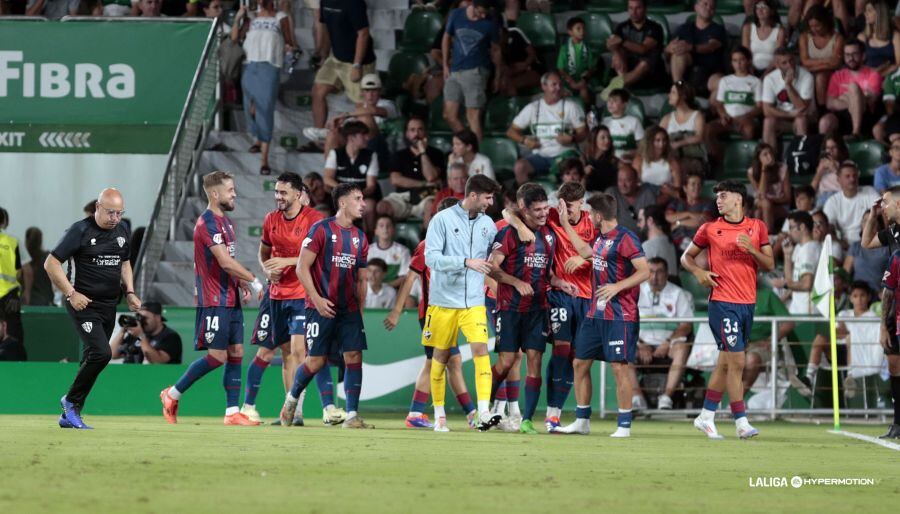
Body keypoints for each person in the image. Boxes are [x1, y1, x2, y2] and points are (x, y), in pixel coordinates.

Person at [160, 172, 263, 426]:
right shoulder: (206, 223)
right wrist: (253, 280)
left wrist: (240, 283)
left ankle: (231, 413)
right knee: (217, 357)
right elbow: (225, 262)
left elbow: (228, 264)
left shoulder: (226, 222)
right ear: (215, 194)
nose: (234, 193)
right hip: (213, 299)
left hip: (230, 297)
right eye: (230, 190)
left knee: (236, 352)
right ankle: (171, 394)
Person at [241, 172, 344, 427]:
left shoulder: (315, 220)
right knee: (287, 353)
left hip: (303, 294)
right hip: (277, 295)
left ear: (298, 194)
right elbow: (263, 252)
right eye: (276, 192)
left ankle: (325, 407)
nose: (278, 197)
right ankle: (293, 412)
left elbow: (319, 256)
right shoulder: (270, 219)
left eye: (283, 192)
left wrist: (286, 261)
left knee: (302, 350)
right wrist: (266, 270)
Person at [681, 180, 774, 440]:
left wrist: (752, 249)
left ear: (738, 199)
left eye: (723, 196)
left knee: (724, 364)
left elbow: (769, 264)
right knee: (738, 361)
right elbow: (685, 257)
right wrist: (698, 272)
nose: (718, 200)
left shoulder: (757, 227)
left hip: (747, 304)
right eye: (717, 197)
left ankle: (706, 416)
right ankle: (741, 422)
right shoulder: (710, 229)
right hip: (722, 303)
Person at [551, 193, 650, 437]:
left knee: (619, 368)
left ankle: (624, 425)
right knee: (579, 363)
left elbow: (645, 271)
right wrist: (565, 224)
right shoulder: (601, 239)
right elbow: (585, 250)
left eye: (590, 213)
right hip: (596, 315)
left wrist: (617, 287)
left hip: (620, 316)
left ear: (598, 215)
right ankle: (582, 421)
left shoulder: (627, 239)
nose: (588, 217)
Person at [45, 189, 142, 429]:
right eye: (110, 212)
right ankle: (70, 401)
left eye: (119, 213)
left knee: (92, 356)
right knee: (102, 353)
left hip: (109, 305)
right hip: (82, 303)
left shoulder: (122, 231)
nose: (115, 218)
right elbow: (51, 263)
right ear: (98, 207)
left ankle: (71, 413)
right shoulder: (80, 230)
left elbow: (125, 262)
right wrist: (71, 293)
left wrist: (129, 291)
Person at [280, 183, 373, 429]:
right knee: (316, 361)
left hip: (349, 309)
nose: (363, 203)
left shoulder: (360, 238)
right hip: (320, 307)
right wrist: (317, 299)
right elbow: (302, 267)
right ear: (343, 203)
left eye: (363, 198)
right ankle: (291, 400)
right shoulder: (320, 229)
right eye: (357, 198)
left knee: (354, 356)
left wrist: (360, 312)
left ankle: (352, 416)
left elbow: (362, 279)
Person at [503, 181, 594, 431]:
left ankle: (558, 410)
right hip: (557, 293)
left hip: (585, 296)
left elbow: (603, 252)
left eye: (572, 207)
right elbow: (508, 212)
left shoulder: (591, 222)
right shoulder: (551, 214)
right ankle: (551, 415)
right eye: (563, 205)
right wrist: (520, 226)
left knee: (578, 357)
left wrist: (583, 255)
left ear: (582, 204)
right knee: (562, 350)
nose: (566, 211)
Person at [384, 197, 478, 429]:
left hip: (451, 312)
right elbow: (411, 277)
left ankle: (464, 414)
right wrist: (396, 310)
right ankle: (468, 414)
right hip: (432, 314)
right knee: (439, 362)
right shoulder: (428, 246)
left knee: (450, 362)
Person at [488, 184, 571, 435]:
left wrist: (560, 283)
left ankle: (527, 420)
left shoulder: (549, 236)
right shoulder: (508, 235)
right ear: (524, 209)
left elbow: (548, 273)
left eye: (546, 208)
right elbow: (492, 268)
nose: (544, 213)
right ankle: (483, 406)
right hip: (510, 308)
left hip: (538, 308)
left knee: (535, 359)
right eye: (538, 210)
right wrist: (516, 282)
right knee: (506, 361)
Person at [422, 174, 501, 432]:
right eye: (488, 197)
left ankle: (484, 412)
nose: (491, 202)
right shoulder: (441, 220)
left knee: (481, 350)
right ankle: (440, 415)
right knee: (441, 356)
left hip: (474, 302)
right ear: (474, 195)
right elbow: (431, 258)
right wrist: (465, 261)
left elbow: (497, 248)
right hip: (443, 302)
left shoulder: (488, 224)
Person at [232, 0, 298, 175]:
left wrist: (290, 52)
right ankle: (257, 138)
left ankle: (264, 159)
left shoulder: (281, 17)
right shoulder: (251, 18)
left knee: (265, 109)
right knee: (250, 108)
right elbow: (235, 38)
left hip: (270, 66)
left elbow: (290, 42)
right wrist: (239, 17)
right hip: (249, 65)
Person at [508, 71, 587, 185]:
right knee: (519, 167)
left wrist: (572, 138)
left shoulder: (571, 106)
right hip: (541, 155)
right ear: (544, 86)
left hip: (564, 154)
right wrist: (524, 140)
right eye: (554, 85)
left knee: (572, 167)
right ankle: (529, 198)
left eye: (560, 84)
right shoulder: (533, 108)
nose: (558, 88)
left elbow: (584, 133)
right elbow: (511, 131)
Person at [634, 257, 693, 410]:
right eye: (650, 272)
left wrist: (667, 342)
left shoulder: (678, 294)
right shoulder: (635, 291)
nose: (654, 277)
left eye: (659, 272)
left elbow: (686, 325)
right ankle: (637, 398)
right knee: (621, 350)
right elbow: (626, 323)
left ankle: (666, 397)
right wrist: (641, 344)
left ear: (667, 274)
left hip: (669, 344)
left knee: (683, 347)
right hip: (641, 343)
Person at [310, 0, 377, 131]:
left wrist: (357, 65)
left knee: (362, 107)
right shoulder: (324, 1)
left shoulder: (354, 3)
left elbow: (363, 33)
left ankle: (370, 146)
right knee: (318, 91)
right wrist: (324, 55)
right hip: (336, 58)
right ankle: (319, 139)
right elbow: (327, 29)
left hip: (357, 61)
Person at [441, 0, 502, 140]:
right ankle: (468, 144)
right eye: (479, 12)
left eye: (484, 13)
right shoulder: (456, 14)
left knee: (472, 115)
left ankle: (476, 155)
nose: (482, 16)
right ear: (472, 5)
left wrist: (498, 75)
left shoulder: (490, 22)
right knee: (449, 115)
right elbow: (446, 37)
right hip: (454, 69)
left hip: (476, 71)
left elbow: (496, 50)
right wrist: (445, 64)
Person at [306, 74, 400, 159]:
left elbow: (373, 110)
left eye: (374, 90)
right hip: (355, 142)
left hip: (379, 145)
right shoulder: (359, 109)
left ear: (380, 91)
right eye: (367, 90)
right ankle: (330, 173)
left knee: (365, 118)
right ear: (362, 93)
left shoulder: (388, 104)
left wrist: (345, 115)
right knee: (333, 136)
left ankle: (326, 134)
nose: (370, 95)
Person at [377, 117, 446, 222]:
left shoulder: (436, 154)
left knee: (431, 205)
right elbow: (395, 180)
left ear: (425, 133)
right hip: (403, 197)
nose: (416, 134)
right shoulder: (399, 155)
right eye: (412, 130)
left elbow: (431, 177)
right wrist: (424, 183)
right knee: (382, 206)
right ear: (407, 134)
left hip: (426, 197)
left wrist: (423, 153)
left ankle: (425, 237)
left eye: (420, 129)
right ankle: (386, 237)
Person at [706, 47, 761, 165]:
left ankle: (745, 162)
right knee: (707, 130)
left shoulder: (756, 81)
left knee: (749, 129)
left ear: (748, 61)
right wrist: (723, 115)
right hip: (728, 119)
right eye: (735, 60)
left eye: (741, 60)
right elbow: (719, 103)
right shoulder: (725, 81)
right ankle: (720, 162)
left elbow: (759, 107)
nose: (738, 64)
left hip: (746, 119)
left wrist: (746, 116)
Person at [323, 120, 381, 232]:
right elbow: (327, 178)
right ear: (351, 138)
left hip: (362, 196)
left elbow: (371, 186)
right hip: (339, 195)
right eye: (363, 135)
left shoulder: (371, 155)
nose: (367, 138)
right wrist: (343, 190)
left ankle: (367, 240)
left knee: (369, 206)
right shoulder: (335, 154)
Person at [819, 39, 883, 138]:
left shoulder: (873, 74)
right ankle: (823, 150)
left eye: (854, 54)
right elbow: (830, 103)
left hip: (865, 117)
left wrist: (845, 97)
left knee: (853, 87)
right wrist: (855, 100)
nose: (850, 58)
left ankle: (855, 133)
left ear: (863, 56)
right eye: (847, 55)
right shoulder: (837, 75)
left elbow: (871, 100)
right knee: (825, 122)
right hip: (841, 117)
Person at [666, 0, 727, 95]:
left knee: (723, 83)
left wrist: (690, 47)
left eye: (712, 6)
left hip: (710, 74)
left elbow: (711, 46)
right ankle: (678, 89)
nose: (709, 8)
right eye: (705, 4)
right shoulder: (684, 29)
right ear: (696, 7)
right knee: (677, 55)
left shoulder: (718, 29)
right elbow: (668, 49)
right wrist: (669, 48)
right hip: (688, 74)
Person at [761, 47, 816, 148]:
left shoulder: (807, 76)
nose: (790, 65)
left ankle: (800, 157)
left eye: (791, 60)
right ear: (777, 65)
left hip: (806, 118)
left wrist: (789, 86)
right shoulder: (770, 79)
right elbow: (766, 110)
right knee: (768, 121)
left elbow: (802, 108)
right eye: (784, 63)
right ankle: (770, 159)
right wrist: (790, 114)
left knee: (801, 119)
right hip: (784, 119)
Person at [607, 0, 666, 89]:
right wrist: (616, 53)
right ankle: (623, 84)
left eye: (638, 8)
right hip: (627, 67)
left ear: (645, 9)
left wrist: (622, 41)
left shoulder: (655, 28)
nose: (633, 12)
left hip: (649, 72)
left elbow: (643, 49)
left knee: (646, 62)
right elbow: (610, 43)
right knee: (618, 53)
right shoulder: (621, 27)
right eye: (631, 8)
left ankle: (619, 84)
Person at [772, 211, 822, 314]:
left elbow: (806, 284)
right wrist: (787, 255)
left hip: (809, 310)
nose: (789, 232)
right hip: (798, 308)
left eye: (791, 227)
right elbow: (791, 280)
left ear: (802, 227)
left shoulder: (810, 249)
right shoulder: (800, 248)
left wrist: (783, 284)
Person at [878, 214, 900, 439]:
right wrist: (883, 326)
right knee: (895, 367)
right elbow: (888, 293)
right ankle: (897, 423)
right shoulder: (896, 258)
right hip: (897, 321)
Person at [799, 4, 845, 108]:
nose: (814, 29)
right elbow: (805, 61)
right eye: (811, 26)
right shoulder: (804, 37)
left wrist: (814, 67)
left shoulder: (837, 38)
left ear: (826, 23)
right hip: (810, 71)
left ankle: (822, 110)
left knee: (820, 77)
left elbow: (836, 63)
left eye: (818, 26)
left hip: (832, 73)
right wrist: (827, 60)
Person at [823, 162, 880, 244]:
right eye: (847, 176)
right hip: (844, 243)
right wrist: (840, 243)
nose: (852, 179)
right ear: (839, 180)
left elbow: (882, 211)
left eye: (854, 175)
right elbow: (828, 227)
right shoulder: (832, 201)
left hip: (869, 240)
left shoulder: (869, 191)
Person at [110, 302, 183, 364]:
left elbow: (158, 362)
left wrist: (141, 336)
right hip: (132, 377)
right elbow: (113, 354)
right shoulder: (135, 335)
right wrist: (123, 331)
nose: (142, 322)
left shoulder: (171, 337)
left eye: (145, 318)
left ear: (157, 318)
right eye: (139, 317)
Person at [660, 80, 707, 174]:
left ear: (683, 96)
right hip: (671, 158)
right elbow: (657, 136)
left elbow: (699, 137)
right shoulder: (667, 118)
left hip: (693, 159)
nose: (669, 95)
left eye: (673, 93)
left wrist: (679, 143)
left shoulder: (697, 116)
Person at [666, 170, 717, 252]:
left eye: (699, 184)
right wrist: (689, 214)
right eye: (693, 184)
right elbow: (669, 217)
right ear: (685, 188)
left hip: (696, 242)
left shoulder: (708, 203)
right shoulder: (676, 203)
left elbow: (702, 221)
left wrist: (678, 223)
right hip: (675, 242)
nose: (697, 187)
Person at [747, 142, 792, 232]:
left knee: (759, 212)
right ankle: (768, 238)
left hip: (780, 204)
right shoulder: (751, 172)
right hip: (762, 202)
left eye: (770, 153)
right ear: (759, 158)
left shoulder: (783, 168)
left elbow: (787, 198)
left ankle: (763, 238)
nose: (770, 156)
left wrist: (772, 200)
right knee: (764, 205)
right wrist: (764, 169)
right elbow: (761, 193)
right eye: (765, 155)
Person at [605, 164, 660, 234]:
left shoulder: (646, 193)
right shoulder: (612, 193)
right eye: (620, 180)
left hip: (643, 239)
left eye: (627, 180)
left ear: (636, 181)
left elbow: (653, 221)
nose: (623, 185)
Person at [632, 125, 682, 201]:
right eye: (657, 141)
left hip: (666, 198)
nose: (661, 144)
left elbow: (677, 188)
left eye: (664, 140)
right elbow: (635, 184)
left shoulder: (672, 162)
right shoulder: (639, 160)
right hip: (645, 197)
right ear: (650, 142)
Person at [845, 210, 890, 292]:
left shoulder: (887, 248)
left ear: (879, 225)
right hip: (857, 295)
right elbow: (845, 274)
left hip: (879, 295)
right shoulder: (855, 247)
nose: (869, 223)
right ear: (861, 224)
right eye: (865, 220)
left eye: (872, 220)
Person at [367, 215, 412, 291]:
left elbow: (404, 277)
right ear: (376, 231)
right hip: (370, 290)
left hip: (393, 290)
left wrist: (384, 287)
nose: (385, 228)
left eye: (388, 226)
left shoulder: (403, 251)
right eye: (381, 226)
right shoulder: (367, 250)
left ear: (393, 230)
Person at [557, 16, 594, 106]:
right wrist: (571, 82)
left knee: (584, 92)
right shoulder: (564, 49)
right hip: (568, 80)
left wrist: (584, 80)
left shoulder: (587, 48)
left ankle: (586, 114)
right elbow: (561, 69)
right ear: (570, 32)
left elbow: (591, 68)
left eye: (583, 28)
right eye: (578, 28)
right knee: (563, 94)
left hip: (583, 80)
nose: (582, 31)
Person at [741, 0, 784, 75]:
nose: (760, 10)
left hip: (772, 70)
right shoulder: (748, 28)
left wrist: (766, 73)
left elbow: (778, 57)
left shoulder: (779, 31)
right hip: (750, 69)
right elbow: (745, 54)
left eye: (764, 7)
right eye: (758, 7)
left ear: (772, 11)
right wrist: (750, 70)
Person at [859, 0, 900, 76]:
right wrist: (875, 73)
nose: (865, 13)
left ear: (879, 13)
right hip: (868, 78)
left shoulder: (895, 36)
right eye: (865, 11)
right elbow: (857, 65)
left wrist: (880, 74)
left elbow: (898, 64)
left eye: (869, 10)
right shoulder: (862, 37)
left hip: (890, 77)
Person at [602, 88, 645, 161]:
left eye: (615, 100)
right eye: (609, 100)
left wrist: (633, 154)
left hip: (628, 161)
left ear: (624, 104)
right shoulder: (604, 122)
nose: (610, 103)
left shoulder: (634, 121)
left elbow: (642, 146)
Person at [0, 208, 22, 345]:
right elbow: (19, 271)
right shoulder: (12, 241)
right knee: (13, 336)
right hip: (9, 296)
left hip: (8, 297)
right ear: (3, 222)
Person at [637, 205, 678, 277]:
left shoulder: (647, 246)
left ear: (650, 221)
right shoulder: (670, 242)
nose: (638, 224)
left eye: (640, 220)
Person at [811, 133, 849, 206]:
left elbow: (848, 185)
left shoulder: (847, 164)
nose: (830, 151)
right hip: (822, 197)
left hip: (839, 196)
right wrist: (819, 172)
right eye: (828, 148)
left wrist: (835, 168)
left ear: (840, 148)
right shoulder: (822, 165)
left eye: (833, 147)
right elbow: (811, 190)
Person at [21, 227, 53, 306]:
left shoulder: (23, 258)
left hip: (25, 300)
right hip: (44, 300)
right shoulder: (47, 257)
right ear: (41, 240)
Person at [584, 125, 620, 193]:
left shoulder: (614, 161)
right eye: (603, 138)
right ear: (594, 139)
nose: (607, 141)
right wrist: (584, 174)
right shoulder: (584, 159)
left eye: (609, 137)